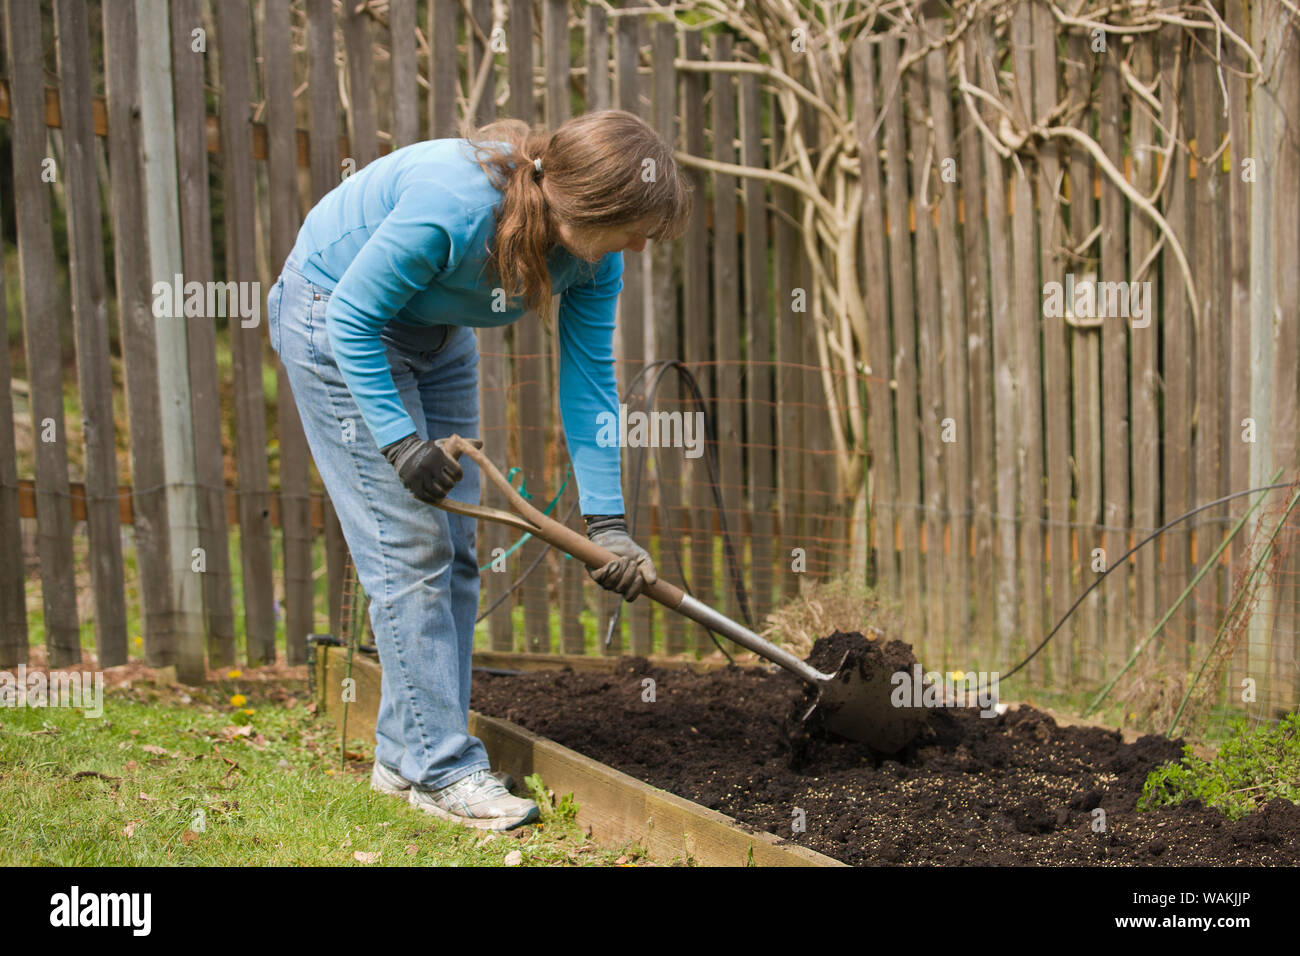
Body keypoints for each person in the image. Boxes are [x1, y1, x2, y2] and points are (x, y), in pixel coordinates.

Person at [268, 109, 692, 830]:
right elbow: (351, 318)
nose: (641, 247)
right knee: (411, 549)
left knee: (455, 552)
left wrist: (609, 525)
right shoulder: (454, 206)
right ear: (592, 207)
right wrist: (400, 442)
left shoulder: (595, 258)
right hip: (334, 319)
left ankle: (406, 757)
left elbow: (590, 382)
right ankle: (443, 772)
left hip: (433, 334)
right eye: (637, 229)